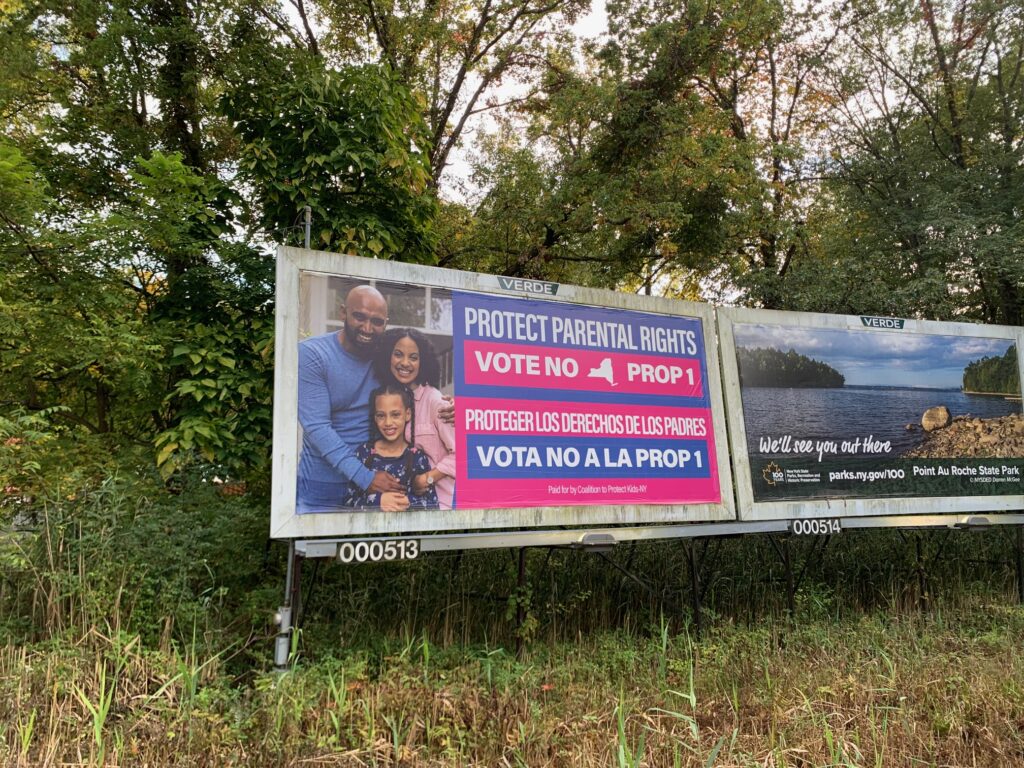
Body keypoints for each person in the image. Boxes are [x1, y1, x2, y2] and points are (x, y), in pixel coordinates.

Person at [296, 285, 407, 513]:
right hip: (322, 487)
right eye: (359, 317)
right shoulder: (313, 354)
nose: (367, 328)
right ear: (343, 312)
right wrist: (365, 478)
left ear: (385, 323)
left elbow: (416, 393)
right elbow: (316, 427)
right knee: (317, 550)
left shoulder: (386, 358)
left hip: (376, 485)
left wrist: (450, 405)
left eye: (377, 321)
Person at [374, 328, 457, 510]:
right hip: (403, 505)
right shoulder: (386, 399)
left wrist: (427, 478)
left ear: (423, 362)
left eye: (413, 357)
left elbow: (462, 454)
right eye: (398, 354)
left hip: (439, 507)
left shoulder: (436, 402)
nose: (405, 363)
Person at [344, 384, 438, 511]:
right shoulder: (364, 454)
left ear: (408, 414)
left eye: (395, 415)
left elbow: (432, 504)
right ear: (375, 418)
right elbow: (347, 503)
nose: (388, 423)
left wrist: (406, 502)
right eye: (381, 415)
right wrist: (378, 502)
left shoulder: (417, 457)